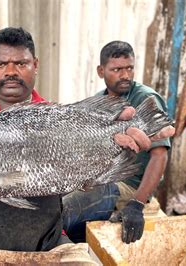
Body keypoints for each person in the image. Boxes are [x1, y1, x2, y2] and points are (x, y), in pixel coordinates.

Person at [0, 28, 162, 251]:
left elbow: (84, 180)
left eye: (21, 64)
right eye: (1, 64)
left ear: (35, 65)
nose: (10, 71)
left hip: (39, 243)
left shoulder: (56, 118)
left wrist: (109, 153)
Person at [63, 41, 172, 244]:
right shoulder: (98, 101)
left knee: (69, 207)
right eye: (117, 69)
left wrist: (137, 204)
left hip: (127, 183)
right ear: (101, 71)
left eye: (129, 68)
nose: (125, 75)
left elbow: (160, 155)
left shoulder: (145, 99)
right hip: (103, 176)